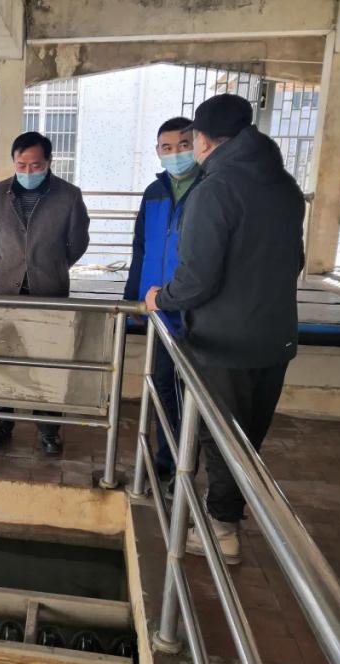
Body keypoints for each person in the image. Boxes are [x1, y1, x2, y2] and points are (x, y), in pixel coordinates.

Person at [146, 94, 305, 564]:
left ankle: (221, 528)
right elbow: (294, 260)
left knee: (220, 436)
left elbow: (196, 279)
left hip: (224, 340)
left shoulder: (214, 190)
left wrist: (161, 299)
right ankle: (228, 514)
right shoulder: (284, 186)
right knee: (248, 436)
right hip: (275, 336)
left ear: (202, 139)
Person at [0, 131, 91, 456]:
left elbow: (78, 242)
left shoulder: (69, 196)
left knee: (48, 361)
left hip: (48, 292)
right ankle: (0, 423)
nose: (28, 171)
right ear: (13, 162)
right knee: (1, 359)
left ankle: (49, 429)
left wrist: (50, 265)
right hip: (4, 291)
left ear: (49, 162)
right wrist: (13, 264)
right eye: (21, 165)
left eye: (36, 165)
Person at [124, 117, 202, 483]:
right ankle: (165, 458)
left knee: (193, 393)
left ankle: (186, 465)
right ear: (157, 151)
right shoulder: (154, 193)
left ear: (198, 145)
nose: (175, 154)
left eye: (183, 145)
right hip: (157, 308)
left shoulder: (208, 189)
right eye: (167, 148)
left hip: (195, 311)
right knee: (161, 386)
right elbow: (140, 248)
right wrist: (133, 299)